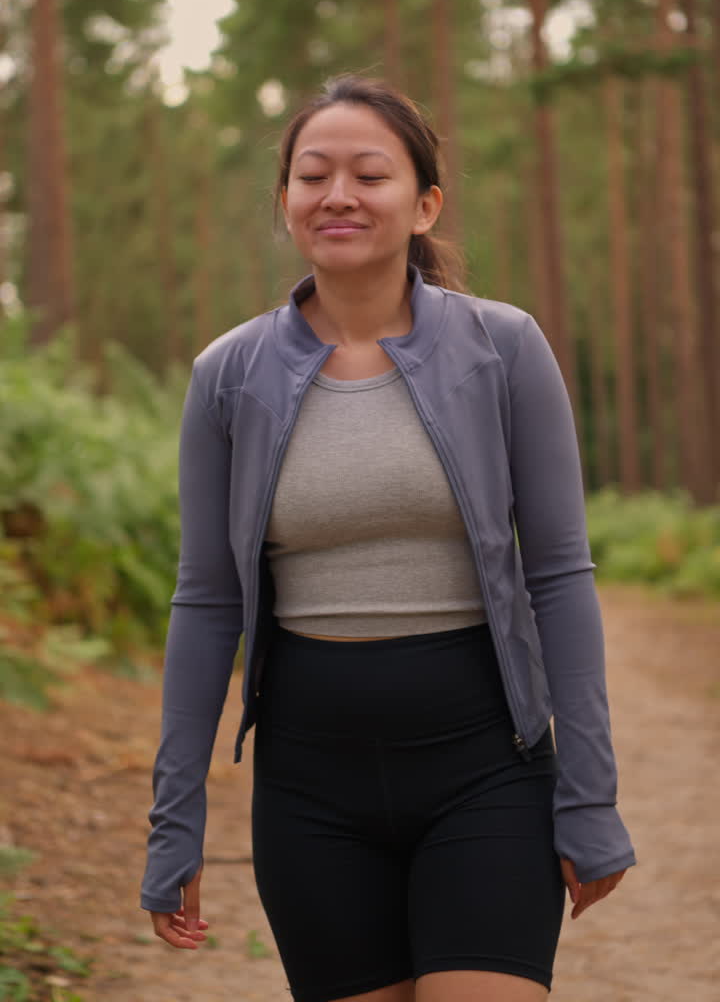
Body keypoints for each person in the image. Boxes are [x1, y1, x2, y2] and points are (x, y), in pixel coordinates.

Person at [140, 74, 636, 1001]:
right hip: (309, 785)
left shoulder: (505, 347)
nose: (337, 195)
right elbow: (207, 602)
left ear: (424, 203)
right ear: (286, 200)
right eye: (312, 174)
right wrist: (176, 823)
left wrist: (590, 797)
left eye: (369, 174)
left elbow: (560, 576)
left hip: (487, 765)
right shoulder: (227, 375)